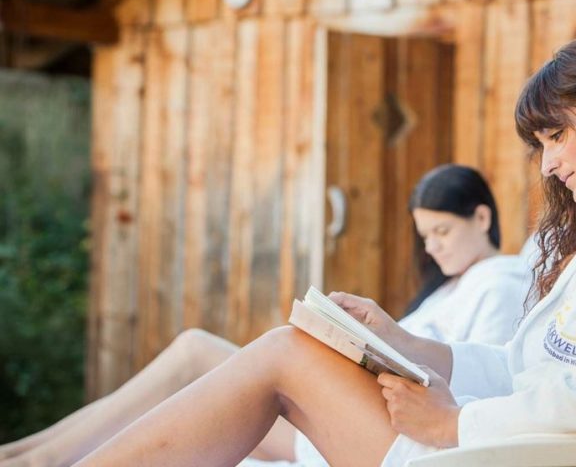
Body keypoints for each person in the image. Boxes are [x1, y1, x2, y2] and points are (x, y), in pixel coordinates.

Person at [69, 37, 576, 467]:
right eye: (543, 147)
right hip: (509, 446)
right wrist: (402, 345)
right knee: (297, 353)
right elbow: (521, 368)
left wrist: (452, 423)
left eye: (557, 136)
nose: (550, 165)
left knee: (283, 356)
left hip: (511, 457)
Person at [0, 164, 532, 467]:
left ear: (481, 216)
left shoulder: (501, 281)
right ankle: (30, 453)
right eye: (425, 237)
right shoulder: (447, 291)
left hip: (367, 423)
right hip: (360, 406)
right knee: (195, 357)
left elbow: (473, 391)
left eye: (442, 232)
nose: (433, 248)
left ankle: (38, 461)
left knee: (198, 353)